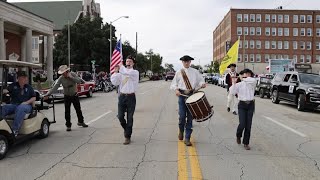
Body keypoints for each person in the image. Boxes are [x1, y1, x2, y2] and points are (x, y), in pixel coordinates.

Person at [170, 55, 206, 146]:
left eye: (188, 61)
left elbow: (201, 80)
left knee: (190, 118)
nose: (186, 63)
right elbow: (174, 84)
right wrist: (176, 90)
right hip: (182, 96)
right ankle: (181, 130)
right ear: (182, 62)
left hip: (192, 94)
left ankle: (187, 138)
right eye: (184, 61)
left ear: (190, 62)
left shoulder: (195, 71)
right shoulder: (179, 72)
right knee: (182, 116)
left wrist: (202, 84)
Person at [44, 65, 88, 131]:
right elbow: (55, 87)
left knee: (78, 109)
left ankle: (81, 122)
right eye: (62, 73)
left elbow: (79, 81)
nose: (63, 74)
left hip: (74, 95)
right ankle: (68, 125)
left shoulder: (72, 74)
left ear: (67, 71)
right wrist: (48, 94)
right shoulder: (61, 78)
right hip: (67, 96)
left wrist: (71, 77)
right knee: (67, 111)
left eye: (64, 72)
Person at [111, 55, 139, 145]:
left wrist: (120, 65)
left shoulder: (135, 72)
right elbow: (114, 82)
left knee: (130, 118)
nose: (128, 62)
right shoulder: (121, 73)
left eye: (130, 61)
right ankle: (127, 130)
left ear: (133, 63)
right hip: (122, 96)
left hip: (131, 97)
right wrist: (115, 72)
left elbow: (127, 73)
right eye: (127, 61)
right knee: (120, 116)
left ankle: (127, 136)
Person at [1, 71, 36, 136]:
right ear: (19, 78)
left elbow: (34, 98)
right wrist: (4, 91)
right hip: (14, 104)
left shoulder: (29, 87)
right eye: (23, 78)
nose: (25, 79)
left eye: (26, 77)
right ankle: (3, 127)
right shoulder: (13, 85)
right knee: (3, 108)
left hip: (26, 105)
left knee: (20, 108)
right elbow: (6, 90)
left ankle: (15, 130)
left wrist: (26, 102)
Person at [230, 69, 256, 150]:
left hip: (251, 104)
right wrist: (234, 83)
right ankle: (238, 135)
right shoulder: (239, 84)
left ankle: (246, 143)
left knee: (248, 125)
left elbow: (251, 79)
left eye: (249, 74)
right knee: (242, 124)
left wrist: (242, 77)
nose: (247, 75)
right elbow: (232, 92)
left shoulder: (252, 82)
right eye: (245, 73)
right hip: (242, 105)